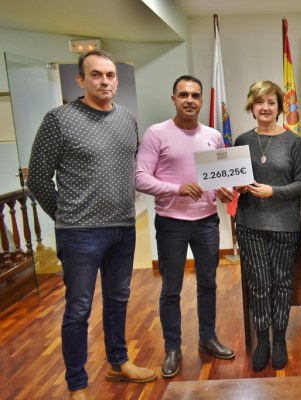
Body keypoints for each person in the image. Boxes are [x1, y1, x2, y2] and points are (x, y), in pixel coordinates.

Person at [27, 50, 156, 400]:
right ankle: (77, 384)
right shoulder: (59, 119)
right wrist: (67, 216)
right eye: (96, 75)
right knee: (78, 309)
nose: (105, 81)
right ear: (81, 81)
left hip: (123, 229)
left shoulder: (128, 119)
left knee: (118, 300)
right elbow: (37, 178)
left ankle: (119, 361)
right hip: (79, 234)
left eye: (110, 75)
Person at [135, 75, 236, 379]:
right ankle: (172, 348)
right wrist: (176, 188)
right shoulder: (156, 134)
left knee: (208, 283)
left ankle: (207, 338)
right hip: (171, 225)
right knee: (171, 288)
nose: (189, 100)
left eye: (195, 95)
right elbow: (140, 178)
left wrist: (225, 190)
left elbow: (222, 178)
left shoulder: (214, 136)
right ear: (174, 99)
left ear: (201, 100)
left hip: (206, 222)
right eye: (183, 95)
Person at [234, 80, 301, 371]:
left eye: (271, 102)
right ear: (252, 107)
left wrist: (273, 191)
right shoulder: (241, 140)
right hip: (249, 223)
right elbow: (233, 178)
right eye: (259, 102)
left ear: (279, 108)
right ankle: (261, 338)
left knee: (282, 283)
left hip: (285, 224)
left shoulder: (293, 141)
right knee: (259, 284)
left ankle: (280, 338)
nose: (265, 107)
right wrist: (236, 187)